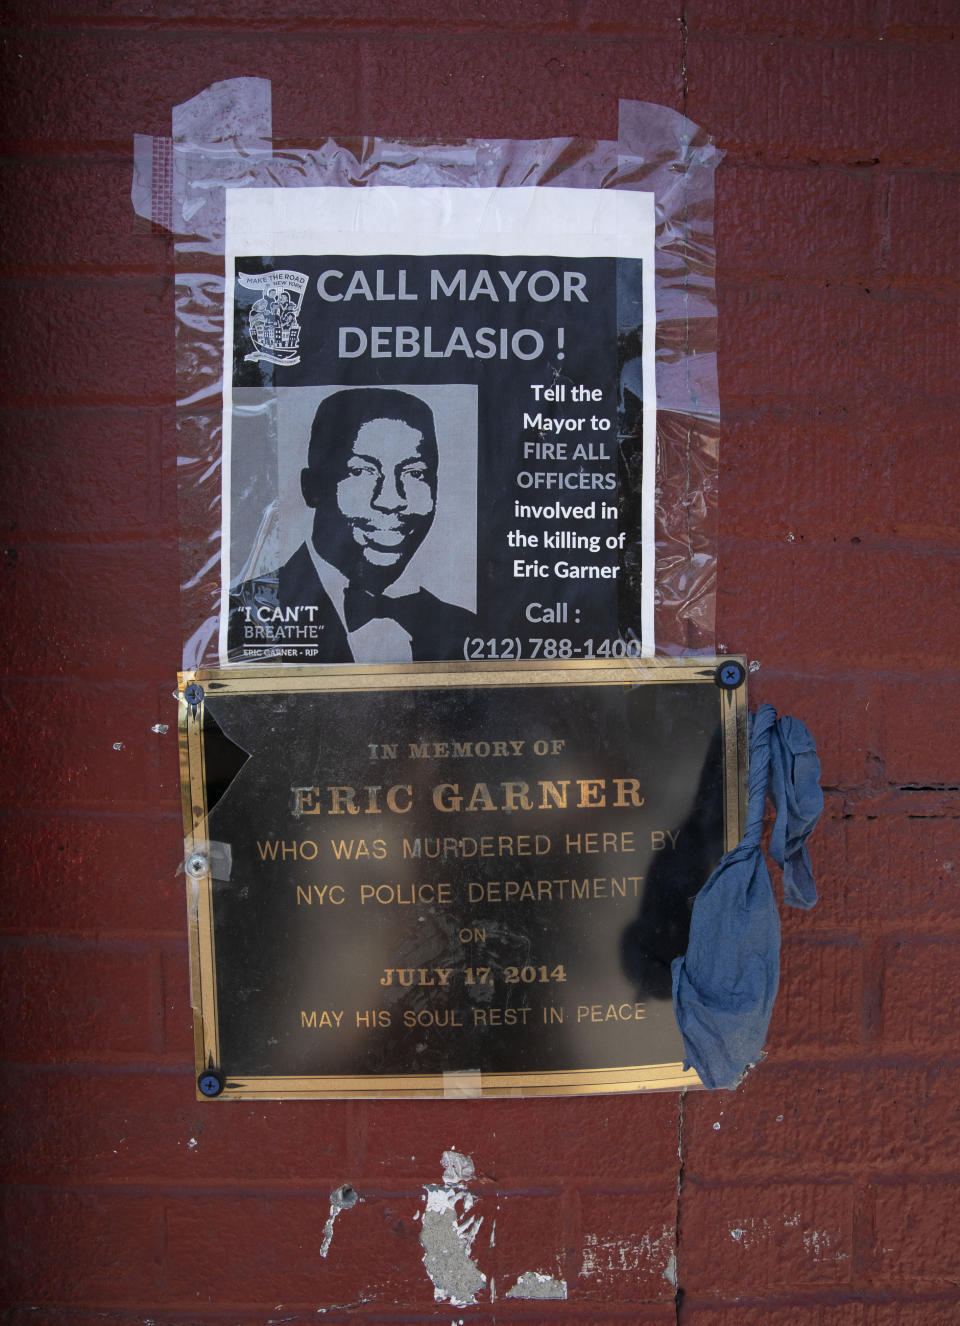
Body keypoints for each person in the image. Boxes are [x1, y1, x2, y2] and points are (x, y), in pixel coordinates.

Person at [228, 387, 475, 662]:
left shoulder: (466, 629)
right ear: (311, 488)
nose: (391, 500)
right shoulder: (242, 614)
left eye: (414, 473)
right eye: (361, 472)